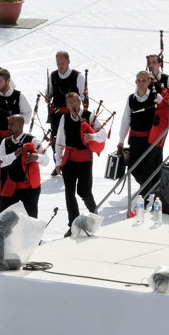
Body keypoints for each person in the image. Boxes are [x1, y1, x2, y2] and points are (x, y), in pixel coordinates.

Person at [55, 92, 107, 236]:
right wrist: (58, 162)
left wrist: (92, 136)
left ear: (80, 102)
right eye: (69, 103)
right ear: (66, 105)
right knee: (69, 193)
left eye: (75, 102)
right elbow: (59, 141)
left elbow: (104, 133)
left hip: (85, 159)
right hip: (69, 160)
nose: (72, 105)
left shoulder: (90, 116)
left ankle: (94, 218)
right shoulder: (64, 118)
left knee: (84, 192)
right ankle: (73, 225)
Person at [117, 71, 165, 201]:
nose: (141, 83)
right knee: (134, 167)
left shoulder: (156, 97)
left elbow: (166, 110)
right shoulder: (131, 99)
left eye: (143, 80)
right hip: (136, 139)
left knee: (151, 167)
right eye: (139, 80)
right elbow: (125, 120)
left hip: (151, 140)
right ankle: (149, 188)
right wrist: (121, 140)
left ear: (149, 81)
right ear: (135, 82)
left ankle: (145, 196)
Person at [0, 115, 49, 218]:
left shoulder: (32, 140)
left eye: (11, 124)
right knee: (3, 218)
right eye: (8, 124)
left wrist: (36, 157)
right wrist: (14, 155)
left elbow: (46, 160)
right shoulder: (5, 142)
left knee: (31, 218)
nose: (8, 127)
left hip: (29, 187)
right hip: (11, 185)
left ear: (20, 126)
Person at [0, 67, 31, 159]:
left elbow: (27, 113)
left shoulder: (18, 95)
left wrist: (17, 120)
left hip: (12, 136)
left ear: (8, 81)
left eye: (0, 81)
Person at [46, 51, 87, 155]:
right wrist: (48, 97)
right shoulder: (53, 75)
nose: (60, 66)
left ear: (68, 61)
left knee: (71, 138)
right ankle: (58, 164)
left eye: (62, 63)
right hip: (56, 114)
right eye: (58, 63)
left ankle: (70, 163)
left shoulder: (78, 76)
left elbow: (83, 97)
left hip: (72, 114)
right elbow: (49, 91)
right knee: (55, 139)